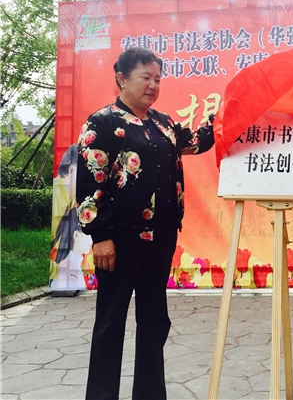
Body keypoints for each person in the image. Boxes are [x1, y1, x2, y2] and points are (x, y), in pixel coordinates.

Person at [76, 47, 215, 400]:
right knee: (110, 322)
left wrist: (225, 119)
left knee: (154, 321)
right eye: (145, 78)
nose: (153, 85)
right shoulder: (102, 123)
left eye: (158, 79)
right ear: (122, 79)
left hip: (162, 235)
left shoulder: (163, 123)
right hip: (119, 241)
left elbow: (196, 143)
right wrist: (100, 236)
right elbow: (91, 184)